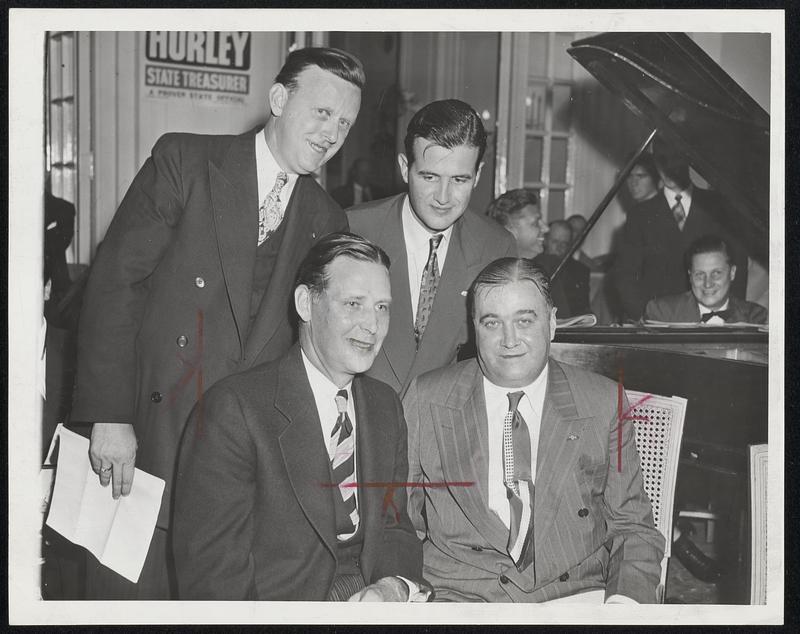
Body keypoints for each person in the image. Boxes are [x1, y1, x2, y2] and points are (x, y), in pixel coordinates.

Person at [70, 47, 364, 599]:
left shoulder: (328, 218)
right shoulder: (185, 161)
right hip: (145, 432)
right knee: (126, 596)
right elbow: (114, 287)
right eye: (322, 113)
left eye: (344, 123)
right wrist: (109, 416)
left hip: (235, 458)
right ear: (278, 99)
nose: (332, 133)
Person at [173, 233, 427, 601]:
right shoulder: (235, 409)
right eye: (354, 303)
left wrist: (390, 588)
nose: (372, 325)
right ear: (306, 304)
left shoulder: (385, 405)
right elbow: (213, 573)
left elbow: (394, 528)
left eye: (382, 307)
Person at [404, 257, 664, 603]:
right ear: (473, 328)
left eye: (524, 320)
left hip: (572, 596)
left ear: (552, 323)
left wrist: (621, 607)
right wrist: (402, 586)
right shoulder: (427, 397)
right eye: (492, 323)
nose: (509, 340)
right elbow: (398, 522)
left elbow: (633, 528)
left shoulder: (601, 401)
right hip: (459, 596)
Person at [347, 99, 516, 397]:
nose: (443, 196)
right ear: (404, 168)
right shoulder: (354, 229)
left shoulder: (495, 246)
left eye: (460, 180)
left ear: (477, 175)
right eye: (429, 177)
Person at [611, 136, 748, 321]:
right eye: (662, 160)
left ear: (690, 160)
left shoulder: (718, 206)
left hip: (712, 320)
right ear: (656, 164)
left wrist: (732, 315)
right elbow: (625, 276)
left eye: (676, 159)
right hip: (660, 322)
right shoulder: (640, 215)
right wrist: (644, 318)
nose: (669, 167)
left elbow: (738, 264)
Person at [644, 234, 767, 325]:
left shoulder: (754, 317)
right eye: (699, 274)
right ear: (690, 276)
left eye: (716, 273)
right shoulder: (661, 313)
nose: (707, 283)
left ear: (732, 273)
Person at [533, 220, 591, 318]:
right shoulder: (533, 265)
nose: (559, 247)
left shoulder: (580, 271)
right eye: (555, 242)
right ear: (545, 241)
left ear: (570, 245)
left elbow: (583, 309)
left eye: (564, 243)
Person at [486, 188, 548, 259]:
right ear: (509, 231)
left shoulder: (546, 266)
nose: (546, 228)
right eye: (536, 223)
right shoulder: (488, 268)